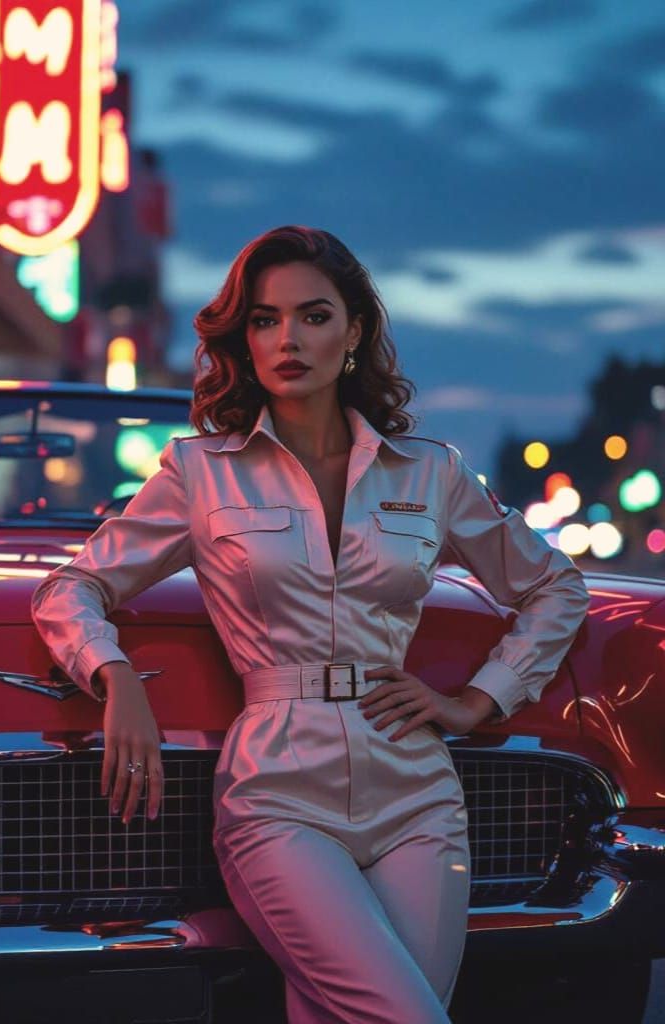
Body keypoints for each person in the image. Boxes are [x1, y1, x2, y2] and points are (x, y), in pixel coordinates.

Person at [31, 225, 590, 1023]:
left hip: (418, 793)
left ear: (355, 331)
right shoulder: (200, 471)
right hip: (279, 794)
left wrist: (478, 701)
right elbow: (72, 587)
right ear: (244, 338)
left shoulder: (431, 471)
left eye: (314, 316)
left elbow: (556, 589)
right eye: (265, 320)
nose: (288, 338)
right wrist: (113, 674)